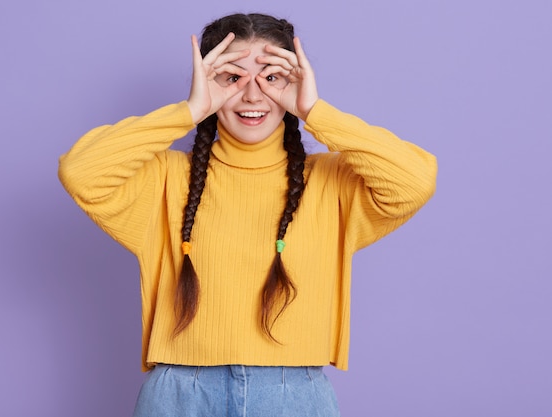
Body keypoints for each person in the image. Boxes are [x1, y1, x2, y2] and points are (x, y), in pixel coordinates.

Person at [58, 12, 437, 417]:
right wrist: (188, 111)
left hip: (293, 394)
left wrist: (315, 111)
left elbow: (414, 180)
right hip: (180, 395)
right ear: (207, 82)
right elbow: (80, 172)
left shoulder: (332, 180)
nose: (253, 96)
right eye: (232, 77)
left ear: (294, 82)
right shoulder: (164, 178)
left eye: (272, 77)